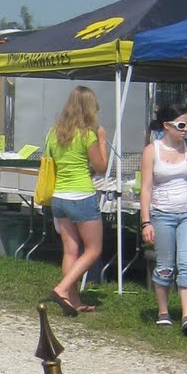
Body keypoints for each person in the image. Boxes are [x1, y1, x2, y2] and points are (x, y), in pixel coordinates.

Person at [140, 101, 187, 335]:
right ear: (167, 126)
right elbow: (146, 188)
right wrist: (145, 221)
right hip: (162, 213)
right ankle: (163, 312)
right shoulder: (152, 150)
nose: (185, 128)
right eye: (181, 124)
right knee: (165, 265)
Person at [44, 85, 108, 316]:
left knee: (70, 251)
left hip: (59, 197)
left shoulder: (54, 132)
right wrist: (102, 141)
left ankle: (73, 300)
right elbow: (101, 168)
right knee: (93, 250)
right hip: (81, 196)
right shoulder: (87, 135)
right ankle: (62, 290)